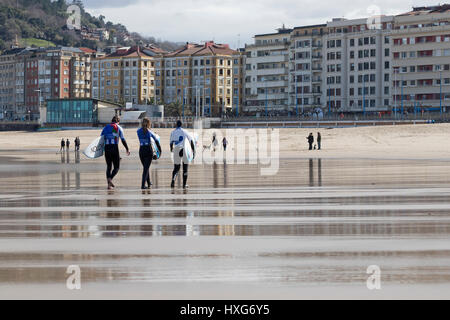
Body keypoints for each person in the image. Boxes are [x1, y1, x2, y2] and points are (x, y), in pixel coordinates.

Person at [101, 115, 130, 190]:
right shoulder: (118, 128)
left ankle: (109, 185)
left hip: (107, 148)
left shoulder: (105, 127)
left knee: (109, 167)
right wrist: (127, 148)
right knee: (116, 167)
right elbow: (123, 139)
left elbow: (101, 138)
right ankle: (110, 179)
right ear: (118, 121)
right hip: (114, 148)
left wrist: (100, 149)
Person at [137, 117, 161, 190]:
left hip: (141, 150)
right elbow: (156, 141)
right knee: (146, 169)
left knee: (145, 167)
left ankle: (148, 182)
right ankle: (142, 185)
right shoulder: (150, 132)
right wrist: (160, 151)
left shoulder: (138, 131)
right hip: (148, 150)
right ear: (148, 124)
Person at [170, 120, 195, 189]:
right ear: (181, 125)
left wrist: (171, 149)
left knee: (176, 168)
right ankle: (184, 184)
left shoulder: (173, 132)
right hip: (184, 150)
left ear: (176, 124)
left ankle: (173, 180)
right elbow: (191, 141)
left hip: (176, 150)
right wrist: (193, 151)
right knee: (185, 168)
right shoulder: (185, 131)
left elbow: (171, 143)